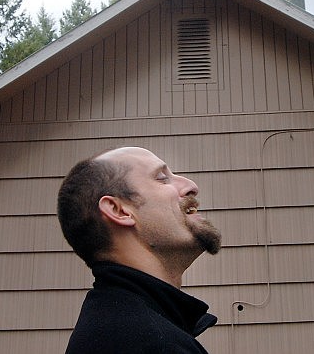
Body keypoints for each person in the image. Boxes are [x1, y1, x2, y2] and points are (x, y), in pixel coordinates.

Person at [57, 146, 222, 354]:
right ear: (119, 210)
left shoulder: (117, 328)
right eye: (162, 178)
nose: (191, 186)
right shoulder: (148, 343)